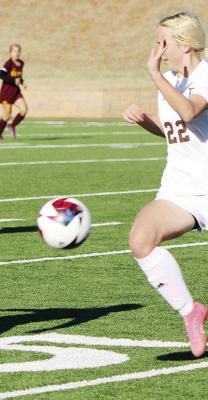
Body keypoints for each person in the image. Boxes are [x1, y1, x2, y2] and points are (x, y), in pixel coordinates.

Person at [123, 12, 208, 357]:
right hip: (178, 189)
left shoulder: (205, 75)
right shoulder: (171, 79)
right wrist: (146, 122)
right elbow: (173, 127)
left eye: (163, 42)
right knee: (141, 240)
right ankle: (191, 312)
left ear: (184, 45)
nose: (157, 49)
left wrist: (156, 76)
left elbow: (190, 112)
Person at [0, 44, 28, 140]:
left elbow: (18, 76)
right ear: (10, 52)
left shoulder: (21, 63)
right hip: (6, 93)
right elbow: (0, 75)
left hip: (16, 92)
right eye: (14, 51)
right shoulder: (8, 63)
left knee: (24, 110)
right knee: (7, 115)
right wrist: (13, 81)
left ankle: (12, 126)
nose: (16, 53)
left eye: (18, 51)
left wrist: (23, 82)